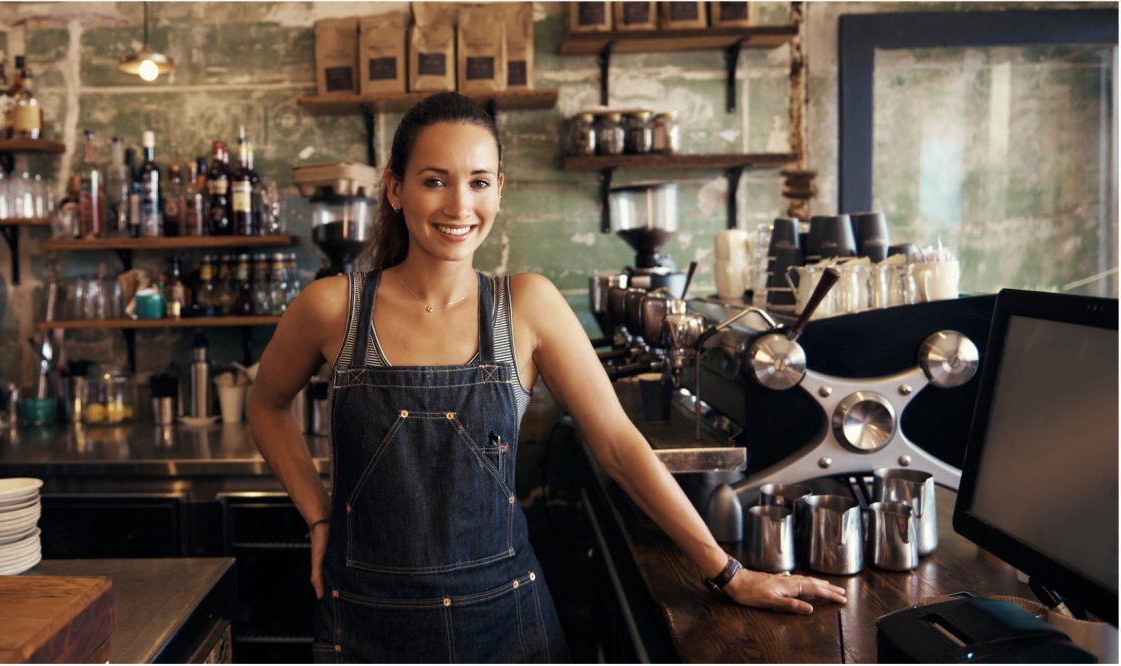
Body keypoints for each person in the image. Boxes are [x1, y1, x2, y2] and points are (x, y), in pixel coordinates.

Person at [248, 92, 846, 663]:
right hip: (363, 625)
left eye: (479, 182)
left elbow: (617, 444)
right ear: (395, 189)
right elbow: (266, 405)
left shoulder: (528, 305)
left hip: (505, 628)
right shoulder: (332, 308)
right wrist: (319, 515)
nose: (460, 206)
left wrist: (727, 572)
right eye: (435, 180)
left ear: (499, 191)